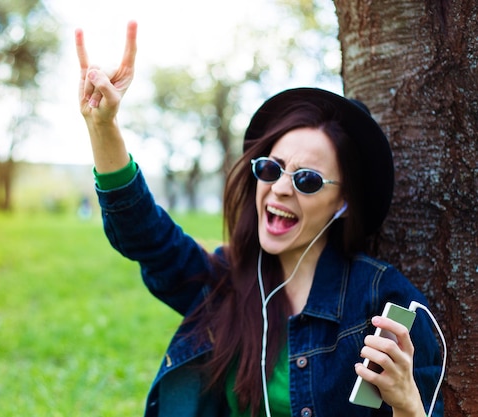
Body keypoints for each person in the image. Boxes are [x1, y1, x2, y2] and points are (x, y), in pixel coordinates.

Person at [75, 21, 443, 417]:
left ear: (344, 203)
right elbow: (144, 235)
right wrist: (104, 127)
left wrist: (407, 402)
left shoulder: (384, 303)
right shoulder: (225, 282)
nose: (281, 188)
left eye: (307, 179)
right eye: (272, 169)